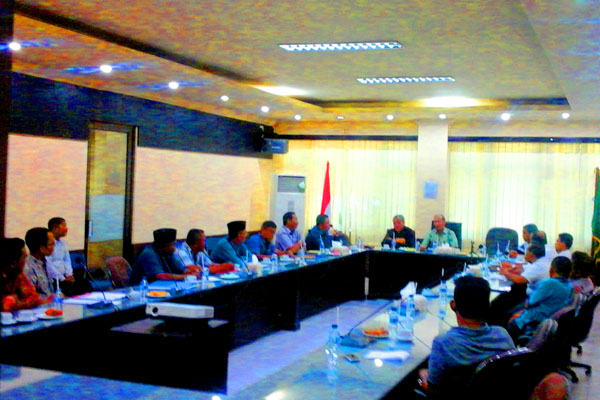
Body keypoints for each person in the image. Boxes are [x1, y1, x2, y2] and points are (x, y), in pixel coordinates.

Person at [418, 276, 515, 397]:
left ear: (453, 305)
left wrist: (422, 378)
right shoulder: (502, 334)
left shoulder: (443, 343)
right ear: (488, 305)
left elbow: (433, 390)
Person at [507, 256, 574, 342]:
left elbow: (530, 302)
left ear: (552, 270)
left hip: (533, 322)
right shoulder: (569, 286)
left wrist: (520, 312)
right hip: (548, 322)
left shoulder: (549, 283)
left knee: (508, 315)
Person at [130, 228, 200, 285]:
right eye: (172, 245)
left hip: (162, 286)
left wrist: (192, 272)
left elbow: (181, 270)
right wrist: (186, 276)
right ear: (164, 246)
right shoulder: (149, 253)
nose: (174, 248)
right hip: (142, 289)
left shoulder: (168, 252)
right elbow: (161, 276)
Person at [1, 238, 51, 312]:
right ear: (13, 264)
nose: (26, 261)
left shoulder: (19, 275)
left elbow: (34, 298)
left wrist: (17, 302)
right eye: (24, 257)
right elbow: (5, 306)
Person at [24, 227, 60, 298]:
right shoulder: (27, 268)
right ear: (42, 248)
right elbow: (30, 296)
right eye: (51, 244)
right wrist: (51, 298)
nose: (54, 247)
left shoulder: (46, 261)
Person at [46, 217, 75, 293]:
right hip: (54, 280)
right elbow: (48, 264)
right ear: (54, 228)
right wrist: (62, 278)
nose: (66, 229)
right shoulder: (47, 245)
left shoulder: (63, 243)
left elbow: (67, 260)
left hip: (65, 278)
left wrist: (69, 274)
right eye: (64, 226)